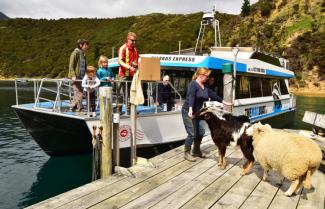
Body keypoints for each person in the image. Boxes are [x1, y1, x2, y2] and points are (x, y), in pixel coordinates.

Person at [182, 67, 232, 161]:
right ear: (201, 75)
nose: (208, 78)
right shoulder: (193, 84)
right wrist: (190, 109)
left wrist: (225, 102)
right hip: (188, 111)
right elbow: (191, 96)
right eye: (207, 76)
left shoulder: (205, 86)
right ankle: (187, 153)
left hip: (198, 112)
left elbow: (213, 95)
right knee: (192, 133)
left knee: (201, 131)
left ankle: (196, 151)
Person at [117, 32, 139, 112]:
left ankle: (130, 111)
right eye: (132, 40)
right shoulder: (123, 48)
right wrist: (129, 67)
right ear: (128, 39)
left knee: (131, 93)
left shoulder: (136, 49)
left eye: (135, 40)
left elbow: (137, 61)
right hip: (123, 75)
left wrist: (136, 67)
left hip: (133, 75)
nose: (134, 42)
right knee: (121, 94)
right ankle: (118, 111)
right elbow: (120, 61)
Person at [68, 39, 89, 112]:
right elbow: (71, 65)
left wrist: (87, 75)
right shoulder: (75, 53)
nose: (87, 46)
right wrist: (73, 75)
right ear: (81, 45)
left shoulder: (83, 54)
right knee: (79, 92)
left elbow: (84, 66)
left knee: (79, 92)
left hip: (82, 77)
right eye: (85, 45)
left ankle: (79, 107)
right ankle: (73, 106)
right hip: (75, 77)